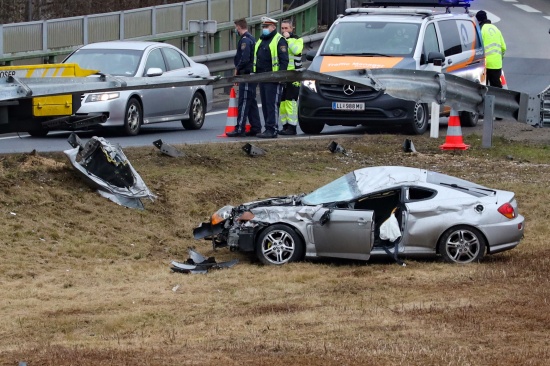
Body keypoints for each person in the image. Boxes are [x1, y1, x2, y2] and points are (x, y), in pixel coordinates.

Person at [253, 16, 289, 138]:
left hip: (274, 78)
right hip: (262, 77)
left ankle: (272, 129)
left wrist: (280, 76)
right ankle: (267, 128)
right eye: (263, 27)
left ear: (273, 27)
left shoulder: (279, 40)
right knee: (265, 104)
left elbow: (284, 61)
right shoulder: (262, 40)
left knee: (272, 104)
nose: (264, 29)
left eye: (266, 26)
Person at [226, 18, 262, 137]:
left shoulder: (245, 41)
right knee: (251, 102)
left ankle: (240, 128)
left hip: (246, 74)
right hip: (252, 74)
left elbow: (244, 58)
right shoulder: (252, 38)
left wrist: (237, 69)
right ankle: (256, 127)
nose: (235, 30)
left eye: (236, 28)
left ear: (239, 28)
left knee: (244, 101)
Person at [278, 19, 303, 136]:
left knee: (290, 102)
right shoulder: (279, 40)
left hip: (294, 76)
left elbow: (296, 50)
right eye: (282, 28)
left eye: (286, 28)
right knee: (282, 102)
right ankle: (285, 126)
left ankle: (292, 127)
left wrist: (288, 40)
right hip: (283, 75)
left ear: (292, 29)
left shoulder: (298, 40)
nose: (284, 31)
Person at [476, 10, 507, 88]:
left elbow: (477, 46)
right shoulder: (496, 29)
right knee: (496, 88)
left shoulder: (480, 29)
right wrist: (499, 58)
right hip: (496, 64)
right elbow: (504, 47)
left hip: (484, 64)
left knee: (483, 88)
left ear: (478, 20)